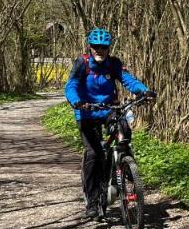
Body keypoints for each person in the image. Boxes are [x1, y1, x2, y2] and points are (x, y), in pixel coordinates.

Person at [65, 28, 153, 219]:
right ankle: (93, 200)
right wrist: (76, 101)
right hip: (87, 112)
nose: (99, 50)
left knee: (123, 127)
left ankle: (125, 164)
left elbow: (128, 80)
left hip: (109, 109)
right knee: (94, 154)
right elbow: (71, 85)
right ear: (90, 47)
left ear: (108, 48)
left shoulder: (113, 64)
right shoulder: (82, 63)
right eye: (96, 47)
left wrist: (143, 91)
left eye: (103, 47)